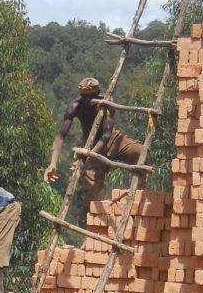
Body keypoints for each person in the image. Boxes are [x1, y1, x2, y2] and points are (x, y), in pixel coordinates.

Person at [43, 77, 143, 216]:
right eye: (84, 96)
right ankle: (97, 223)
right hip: (89, 146)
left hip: (112, 140)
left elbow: (107, 134)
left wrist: (89, 154)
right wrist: (53, 163)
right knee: (92, 193)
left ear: (97, 94)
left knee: (140, 152)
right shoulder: (75, 106)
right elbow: (61, 136)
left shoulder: (108, 102)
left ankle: (141, 195)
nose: (87, 100)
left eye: (90, 96)